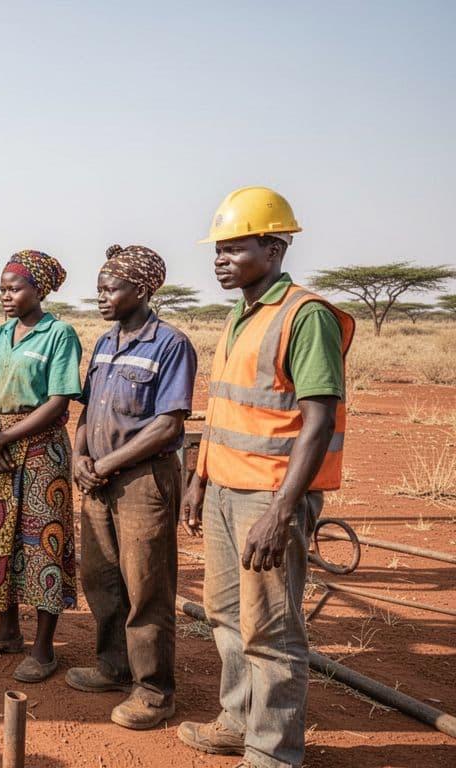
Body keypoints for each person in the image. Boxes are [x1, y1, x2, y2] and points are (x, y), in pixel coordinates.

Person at [179, 187, 352, 768]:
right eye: (218, 250)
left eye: (234, 248)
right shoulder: (240, 316)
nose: (221, 260)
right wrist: (199, 479)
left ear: (275, 247)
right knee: (226, 616)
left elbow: (319, 419)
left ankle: (273, 753)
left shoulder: (306, 316)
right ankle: (237, 721)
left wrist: (282, 510)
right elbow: (227, 410)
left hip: (268, 499)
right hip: (225, 490)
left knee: (271, 631)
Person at [67, 244, 197, 729]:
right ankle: (113, 667)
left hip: (144, 481)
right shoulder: (105, 343)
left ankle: (154, 690)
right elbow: (86, 411)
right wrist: (82, 455)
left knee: (148, 588)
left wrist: (106, 464)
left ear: (141, 291)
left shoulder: (170, 344)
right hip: (98, 479)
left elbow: (167, 425)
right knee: (101, 579)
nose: (100, 296)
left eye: (110, 288)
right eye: (99, 287)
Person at [0, 250, 81, 683]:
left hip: (39, 450)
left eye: (14, 289)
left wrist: (3, 438)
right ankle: (6, 630)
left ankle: (44, 648)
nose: (6, 296)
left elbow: (57, 402)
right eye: (2, 290)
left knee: (41, 543)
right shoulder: (0, 335)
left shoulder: (60, 334)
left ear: (39, 290)